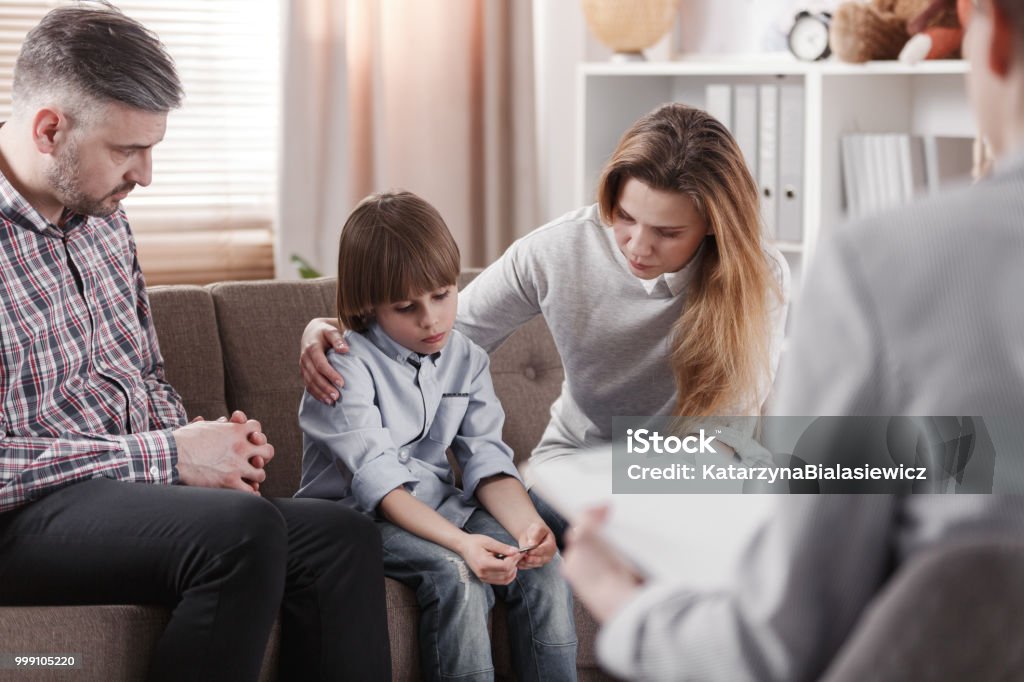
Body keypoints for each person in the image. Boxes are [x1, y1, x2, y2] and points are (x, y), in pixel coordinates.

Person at [560, 0, 1024, 679]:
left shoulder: (885, 266)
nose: (640, 244)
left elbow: (777, 646)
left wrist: (621, 604)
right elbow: (963, 458)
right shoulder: (563, 250)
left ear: (993, 31)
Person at [0, 6, 389, 680]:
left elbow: (143, 373)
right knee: (242, 535)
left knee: (341, 538)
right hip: (22, 519)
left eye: (152, 149)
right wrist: (167, 456)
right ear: (49, 129)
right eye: (127, 150)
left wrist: (210, 452)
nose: (145, 175)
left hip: (121, 497)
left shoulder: (103, 220)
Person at [299, 103, 791, 539]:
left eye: (667, 232)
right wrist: (340, 331)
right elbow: (445, 334)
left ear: (712, 225)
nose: (638, 246)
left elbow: (727, 435)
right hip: (577, 466)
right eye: (624, 217)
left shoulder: (758, 278)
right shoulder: (558, 250)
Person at [297, 190, 577, 682]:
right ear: (369, 306)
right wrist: (465, 545)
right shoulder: (343, 365)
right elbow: (383, 490)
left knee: (545, 570)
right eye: (407, 306)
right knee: (457, 576)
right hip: (359, 522)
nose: (431, 319)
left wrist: (529, 529)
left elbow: (487, 462)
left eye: (443, 295)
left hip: (440, 507)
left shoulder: (466, 357)